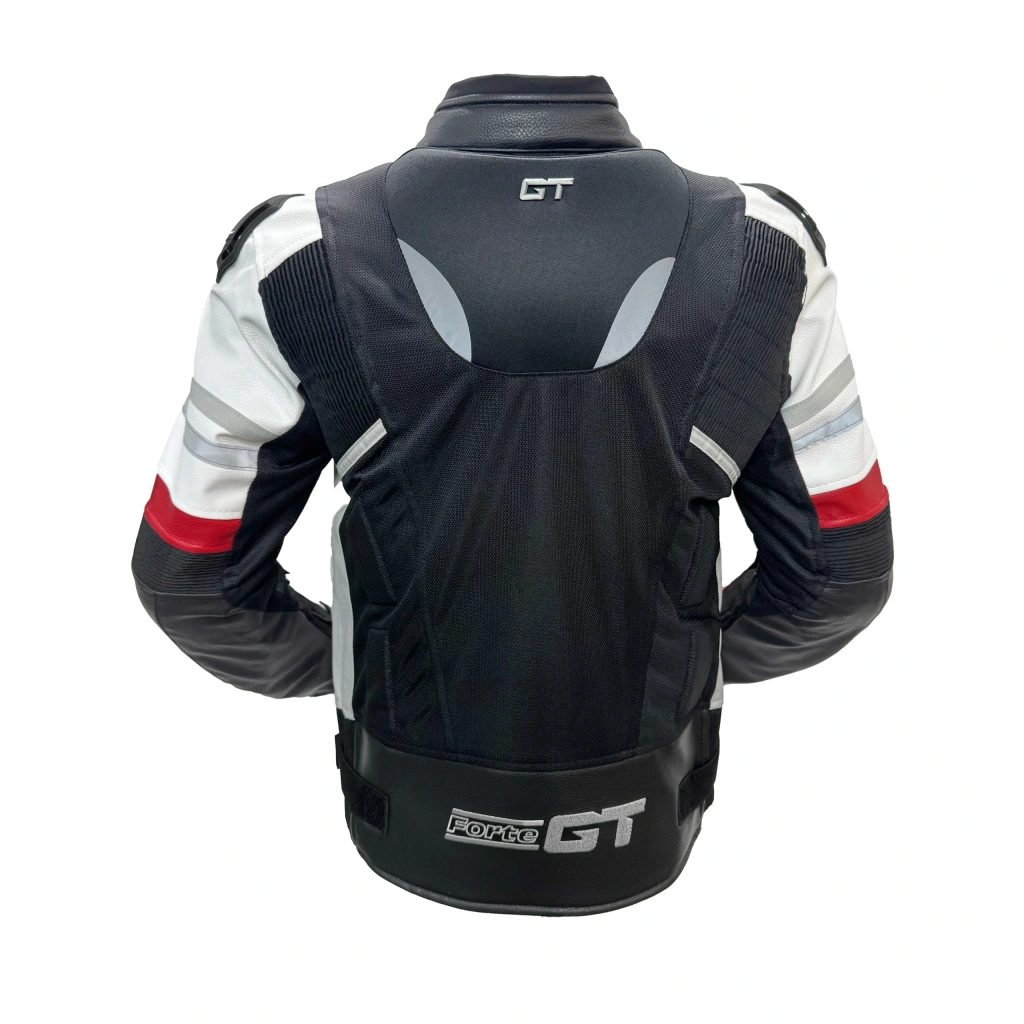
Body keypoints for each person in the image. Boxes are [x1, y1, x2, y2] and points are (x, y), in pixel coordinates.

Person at [132, 74, 893, 915]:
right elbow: (841, 573)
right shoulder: (766, 249)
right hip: (648, 823)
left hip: (404, 826)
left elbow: (190, 578)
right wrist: (676, 657)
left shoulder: (297, 254)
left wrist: (367, 665)